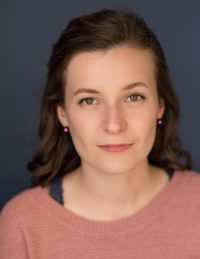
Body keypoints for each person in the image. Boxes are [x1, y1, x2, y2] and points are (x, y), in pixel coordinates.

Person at [0, 8, 200, 259]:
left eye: (133, 97)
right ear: (63, 113)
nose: (114, 124)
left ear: (160, 105)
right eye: (89, 101)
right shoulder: (22, 226)